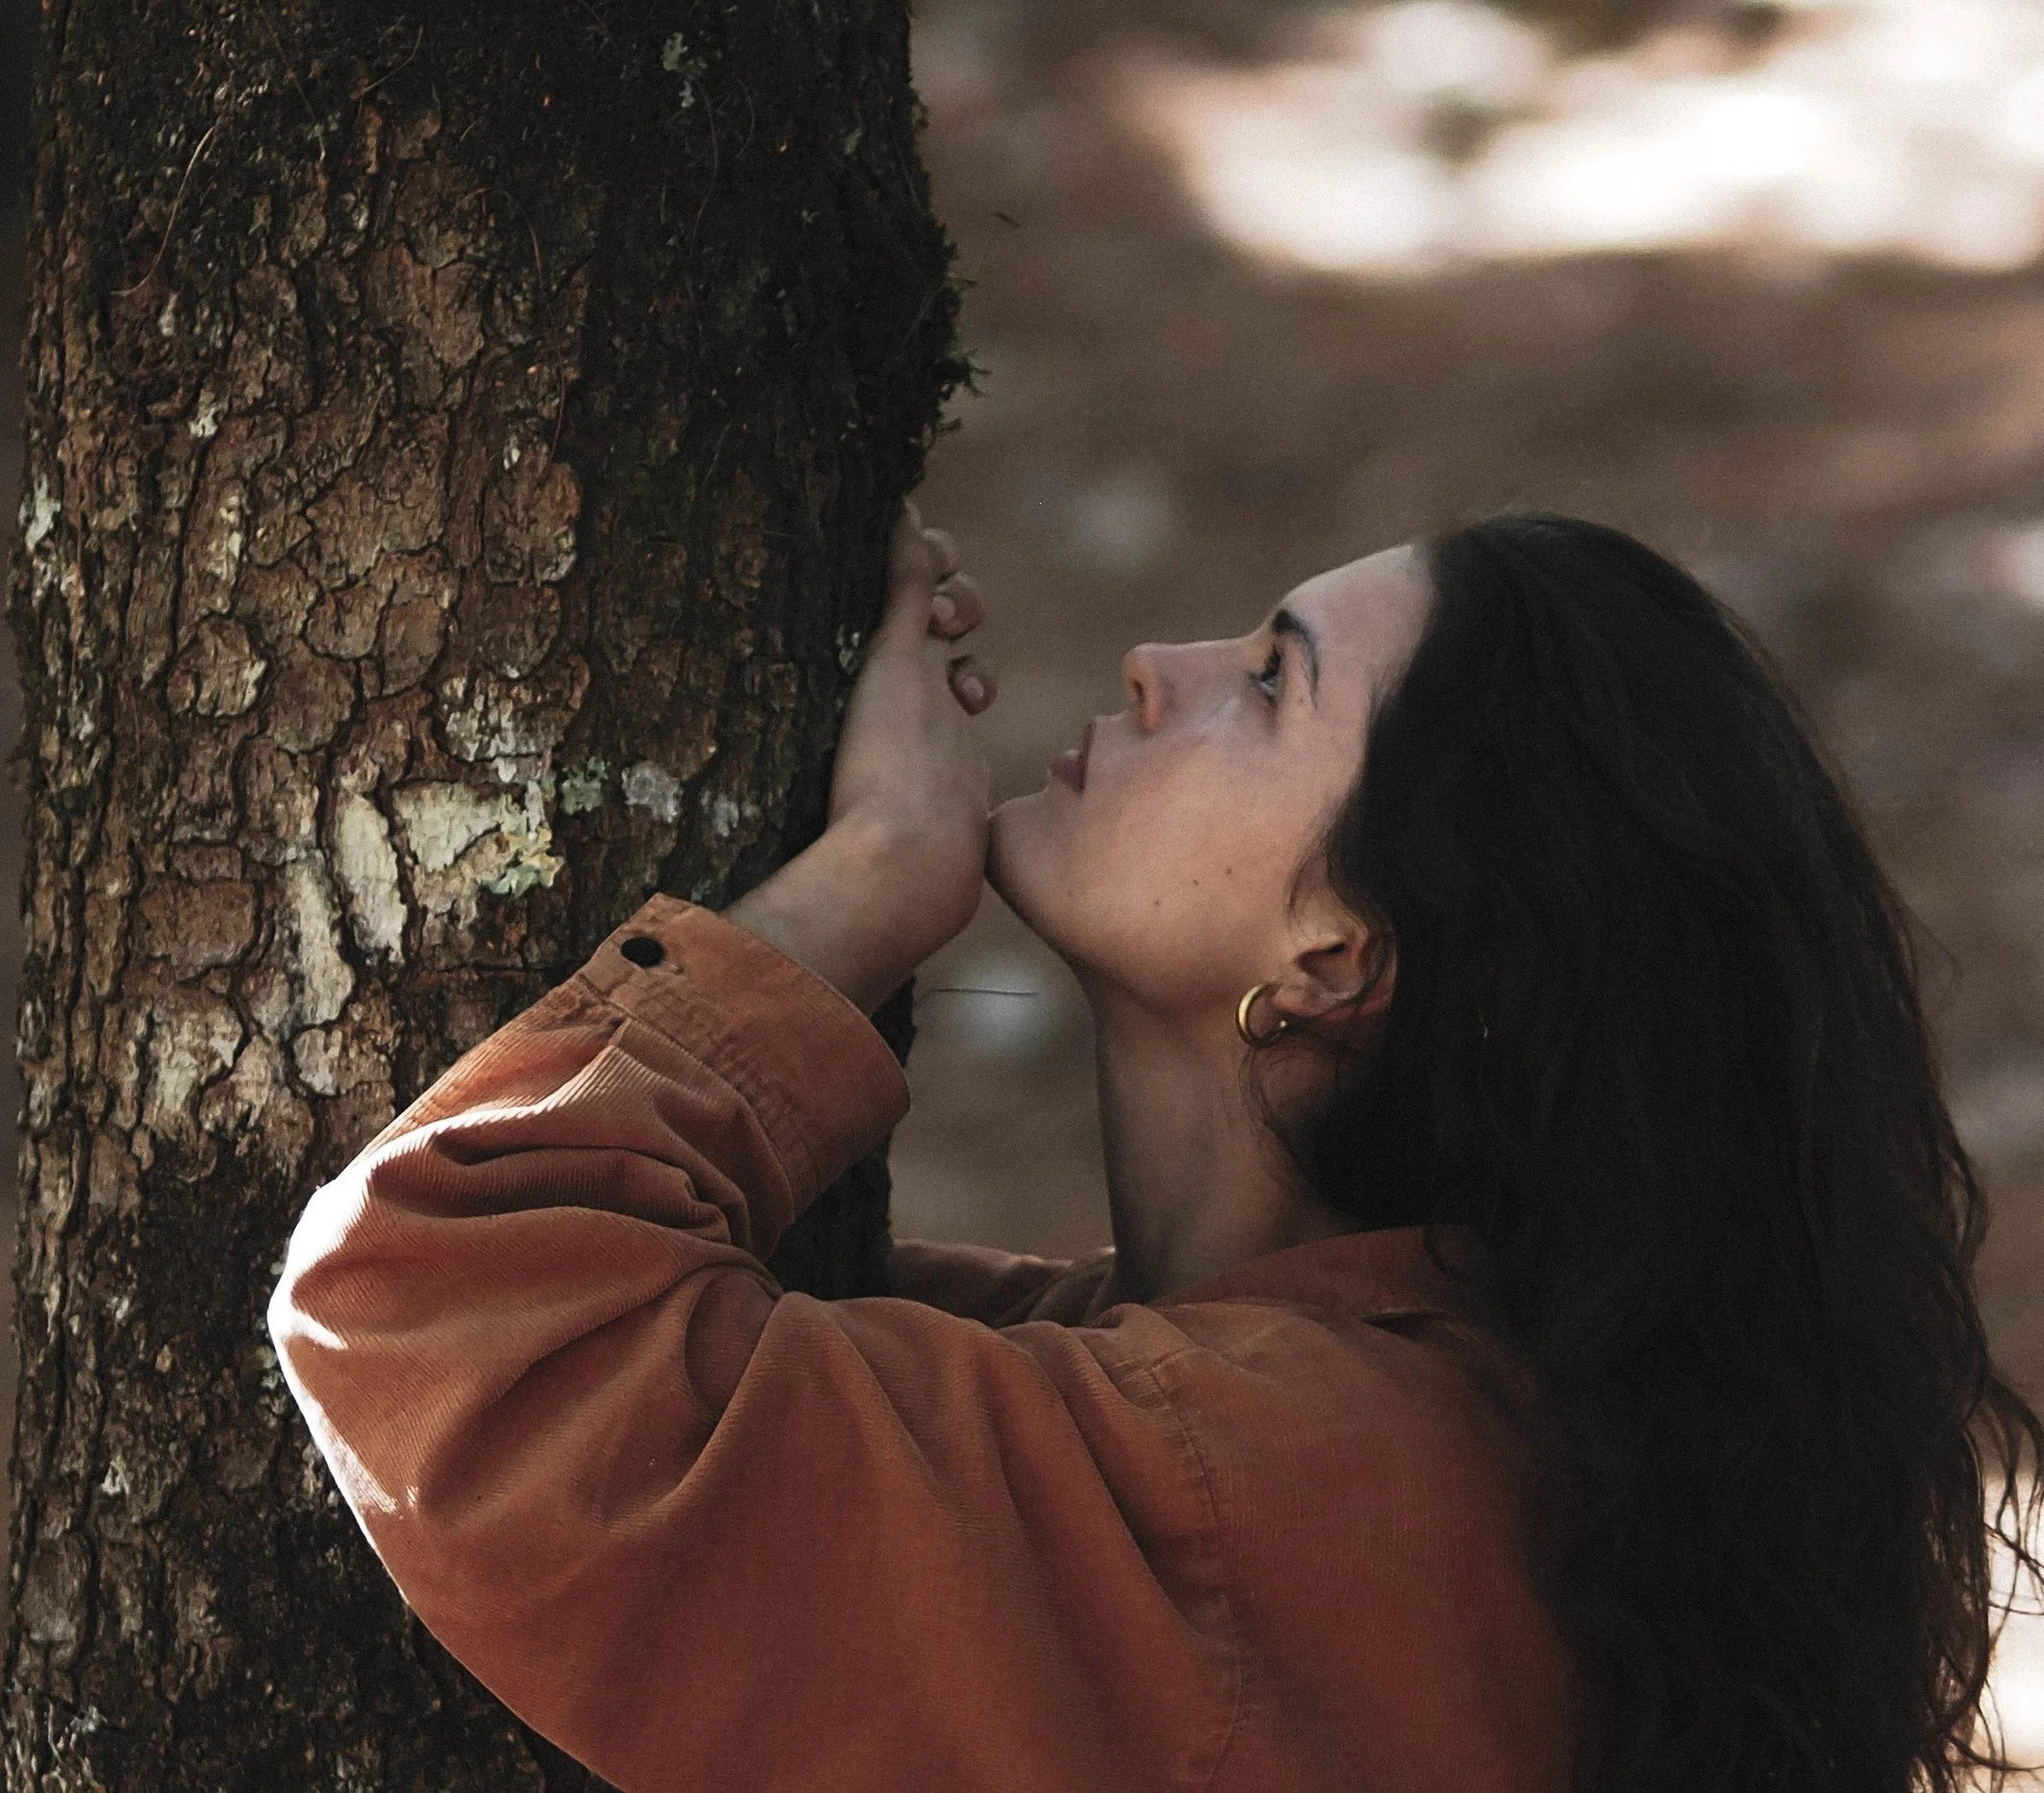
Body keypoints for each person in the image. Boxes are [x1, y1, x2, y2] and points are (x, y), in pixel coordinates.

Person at [271, 503, 2044, 1793]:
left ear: (1339, 955)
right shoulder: (1403, 1414)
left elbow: (445, 1307)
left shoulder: (1281, 1488)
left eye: (1267, 683)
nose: (1155, 666)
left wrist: (869, 882)